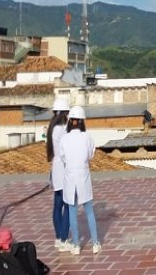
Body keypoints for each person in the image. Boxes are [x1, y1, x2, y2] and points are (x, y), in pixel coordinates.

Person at [59, 105, 101, 255]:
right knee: (89, 211)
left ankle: (76, 244)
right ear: (82, 121)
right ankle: (95, 243)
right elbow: (91, 155)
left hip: (70, 178)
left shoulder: (64, 138)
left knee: (72, 213)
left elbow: (62, 157)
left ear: (70, 121)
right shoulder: (87, 137)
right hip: (83, 177)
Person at [46, 97, 71, 251]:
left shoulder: (52, 128)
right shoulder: (62, 129)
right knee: (68, 205)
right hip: (63, 169)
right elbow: (66, 151)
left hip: (55, 169)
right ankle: (63, 239)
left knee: (57, 206)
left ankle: (58, 238)